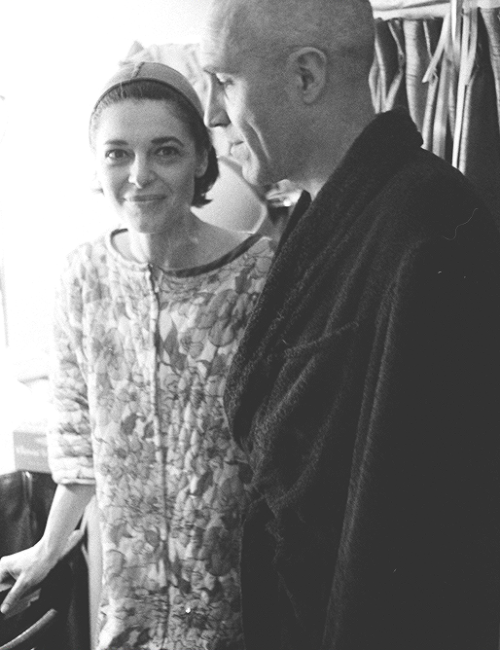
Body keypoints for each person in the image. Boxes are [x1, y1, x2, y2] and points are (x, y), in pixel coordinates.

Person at [200, 1, 500, 649]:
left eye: (224, 81)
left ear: (307, 77)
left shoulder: (430, 229)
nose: (212, 115)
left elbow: (416, 544)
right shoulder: (322, 214)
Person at [0, 61, 274, 650]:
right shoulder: (83, 276)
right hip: (129, 600)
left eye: (165, 151)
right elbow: (77, 438)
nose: (139, 175)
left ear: (202, 159)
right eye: (117, 153)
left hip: (240, 597)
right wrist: (48, 549)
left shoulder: (261, 276)